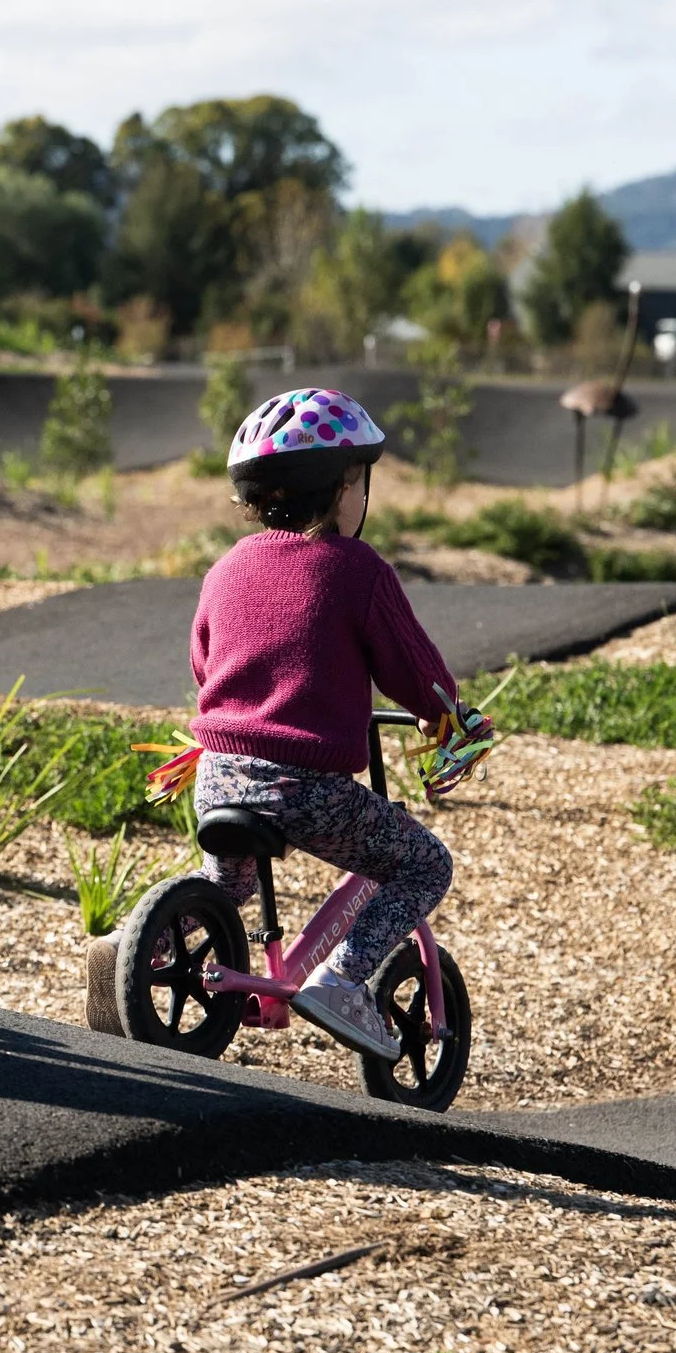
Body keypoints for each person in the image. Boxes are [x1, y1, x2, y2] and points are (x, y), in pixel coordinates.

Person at [184, 388, 491, 1059]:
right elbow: (416, 671)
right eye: (361, 480)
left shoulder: (226, 569)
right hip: (303, 789)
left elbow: (205, 666)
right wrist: (446, 717)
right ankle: (344, 981)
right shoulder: (357, 569)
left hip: (217, 774)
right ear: (344, 486)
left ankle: (151, 942)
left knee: (227, 883)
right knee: (424, 864)